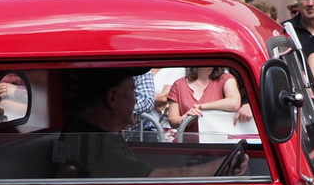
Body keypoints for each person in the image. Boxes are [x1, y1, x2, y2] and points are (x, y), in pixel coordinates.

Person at [53, 67, 242, 178]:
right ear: (112, 98)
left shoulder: (96, 136)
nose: (136, 100)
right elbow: (158, 179)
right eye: (133, 93)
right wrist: (223, 165)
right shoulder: (93, 144)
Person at [165, 65, 241, 141]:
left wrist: (202, 107)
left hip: (218, 143)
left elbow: (234, 103)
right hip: (189, 144)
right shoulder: (179, 84)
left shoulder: (226, 78)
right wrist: (185, 118)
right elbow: (172, 120)